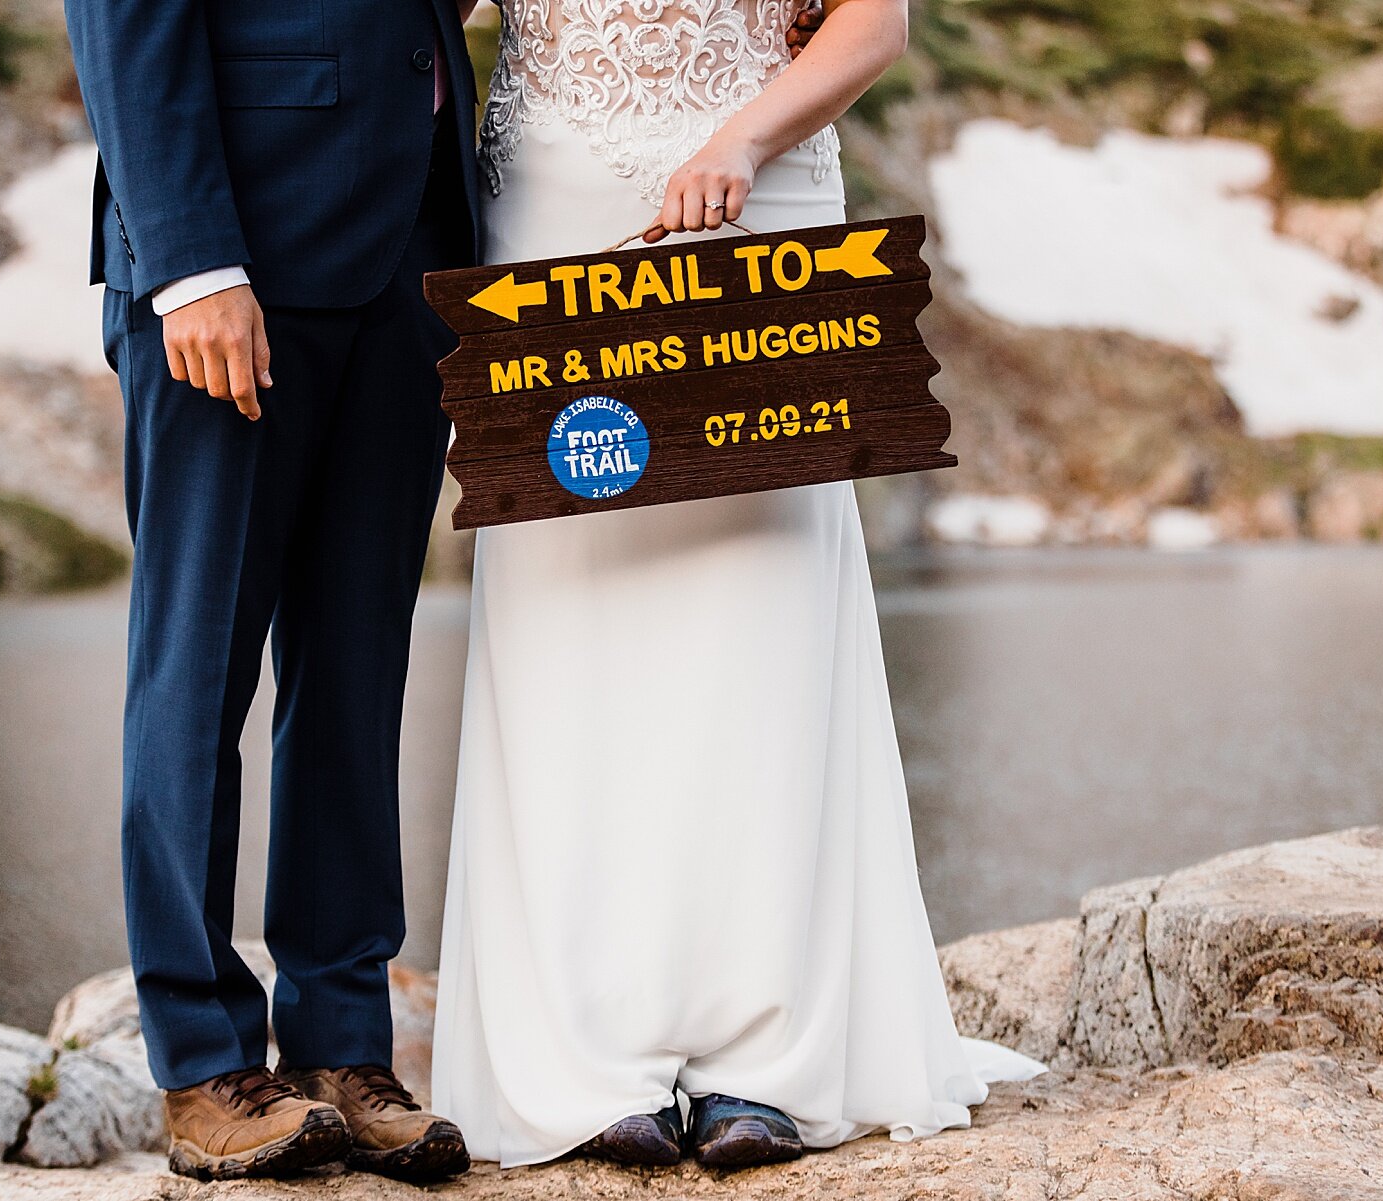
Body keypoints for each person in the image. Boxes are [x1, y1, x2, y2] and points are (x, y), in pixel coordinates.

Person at [433, 0, 1047, 1171]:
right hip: (550, 211)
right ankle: (583, 1049)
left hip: (753, 194)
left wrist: (742, 140)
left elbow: (876, 22)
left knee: (753, 620)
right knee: (571, 624)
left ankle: (763, 1058)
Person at [61, 0, 481, 1183]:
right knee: (198, 677)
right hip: (232, 251)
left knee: (354, 676)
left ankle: (342, 1043)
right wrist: (190, 260)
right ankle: (204, 1063)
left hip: (410, 246)